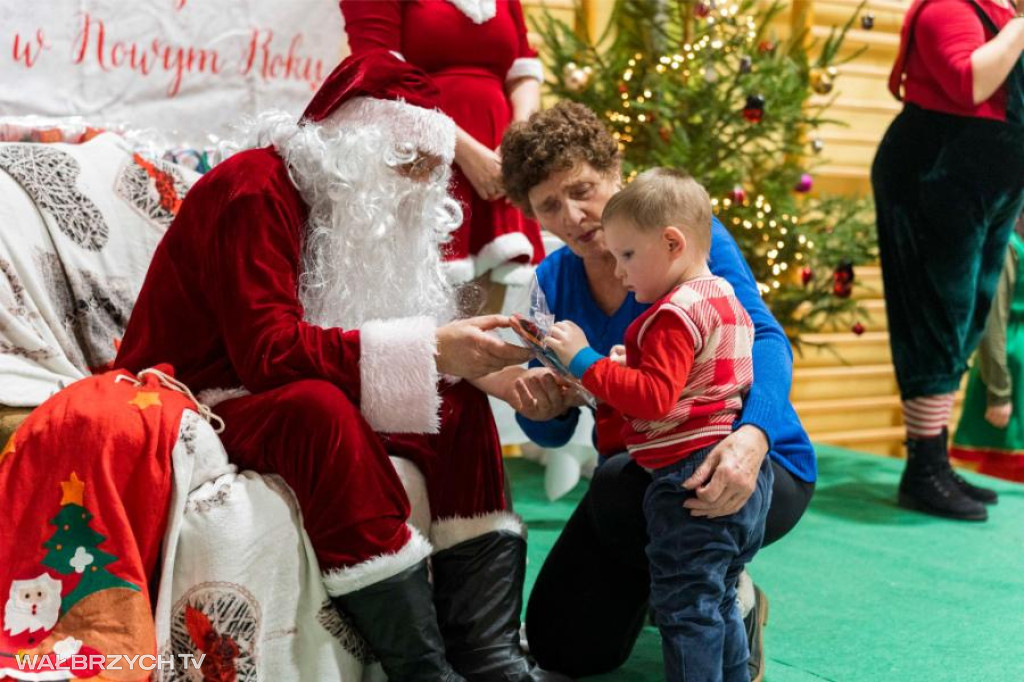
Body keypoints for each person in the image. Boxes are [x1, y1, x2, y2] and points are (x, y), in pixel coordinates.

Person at [115, 50, 566, 682]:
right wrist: (433, 350)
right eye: (409, 163)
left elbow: (389, 341)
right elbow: (267, 353)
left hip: (281, 383)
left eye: (433, 171)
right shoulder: (251, 189)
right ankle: (422, 669)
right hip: (202, 395)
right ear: (355, 144)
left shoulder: (350, 213)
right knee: (318, 410)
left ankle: (489, 655)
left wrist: (501, 376)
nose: (420, 186)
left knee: (455, 404)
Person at [499, 102, 816, 682]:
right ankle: (685, 576)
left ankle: (726, 591)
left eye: (582, 189)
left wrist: (753, 435)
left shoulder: (685, 238)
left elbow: (767, 337)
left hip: (756, 462)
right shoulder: (552, 282)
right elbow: (556, 428)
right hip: (648, 474)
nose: (572, 215)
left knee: (617, 485)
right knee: (560, 646)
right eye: (549, 205)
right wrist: (542, 405)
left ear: (614, 170)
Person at [543, 169, 771, 682]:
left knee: (686, 608)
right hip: (738, 481)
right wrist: (627, 370)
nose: (620, 271)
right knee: (718, 602)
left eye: (627, 255)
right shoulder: (722, 296)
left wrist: (584, 361)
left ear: (672, 243)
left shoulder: (672, 312)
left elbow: (652, 400)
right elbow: (698, 381)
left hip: (687, 478)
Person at [872, 0, 1024, 521]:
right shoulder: (946, 9)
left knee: (969, 315)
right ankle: (924, 468)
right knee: (937, 314)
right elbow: (968, 83)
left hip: (991, 183)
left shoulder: (1003, 16)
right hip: (938, 176)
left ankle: (936, 459)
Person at [341, 0, 545, 292]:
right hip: (421, 159)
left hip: (498, 162)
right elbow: (378, 71)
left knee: (485, 312)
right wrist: (462, 150)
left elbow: (523, 70)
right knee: (425, 304)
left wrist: (517, 139)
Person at [950, 223, 1024, 481]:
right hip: (1012, 364)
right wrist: (999, 391)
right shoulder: (1007, 248)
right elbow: (992, 321)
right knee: (1006, 476)